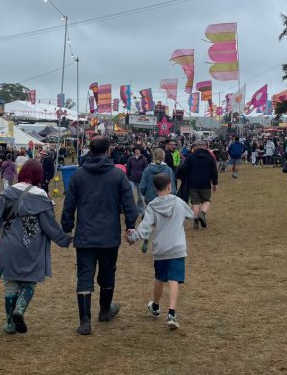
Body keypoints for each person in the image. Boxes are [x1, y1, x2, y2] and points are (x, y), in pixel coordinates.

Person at [0, 159, 72, 334]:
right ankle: (20, 308)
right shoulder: (42, 197)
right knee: (29, 280)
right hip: (32, 246)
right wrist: (65, 239)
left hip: (9, 244)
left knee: (10, 283)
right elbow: (50, 226)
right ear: (39, 176)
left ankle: (11, 323)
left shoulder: (8, 193)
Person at [61, 135, 140, 336]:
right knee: (108, 273)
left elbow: (69, 204)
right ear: (108, 151)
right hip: (109, 235)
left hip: (85, 235)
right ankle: (105, 310)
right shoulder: (117, 175)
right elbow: (129, 203)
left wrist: (67, 228)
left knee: (84, 275)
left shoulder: (78, 174)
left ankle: (85, 321)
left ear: (90, 150)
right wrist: (130, 226)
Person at [126, 173, 194, 330]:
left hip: (161, 249)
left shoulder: (152, 206)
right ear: (170, 186)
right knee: (174, 280)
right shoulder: (178, 202)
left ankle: (156, 306)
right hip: (177, 248)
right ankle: (171, 313)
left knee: (159, 278)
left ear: (155, 188)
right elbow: (191, 214)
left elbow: (144, 228)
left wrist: (132, 238)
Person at [176, 140, 218, 230]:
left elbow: (185, 168)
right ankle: (202, 213)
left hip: (193, 182)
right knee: (206, 200)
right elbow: (214, 171)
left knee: (195, 202)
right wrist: (215, 183)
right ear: (206, 147)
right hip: (205, 182)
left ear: (197, 147)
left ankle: (195, 221)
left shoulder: (191, 156)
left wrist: (182, 177)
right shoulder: (210, 157)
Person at [126, 146, 149, 211]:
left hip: (140, 180)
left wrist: (145, 179)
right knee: (130, 194)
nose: (136, 151)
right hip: (131, 178)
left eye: (138, 149)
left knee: (140, 197)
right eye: (135, 149)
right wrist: (127, 178)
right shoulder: (130, 158)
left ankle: (139, 210)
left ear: (140, 150)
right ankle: (130, 209)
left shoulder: (144, 159)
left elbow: (145, 169)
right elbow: (128, 169)